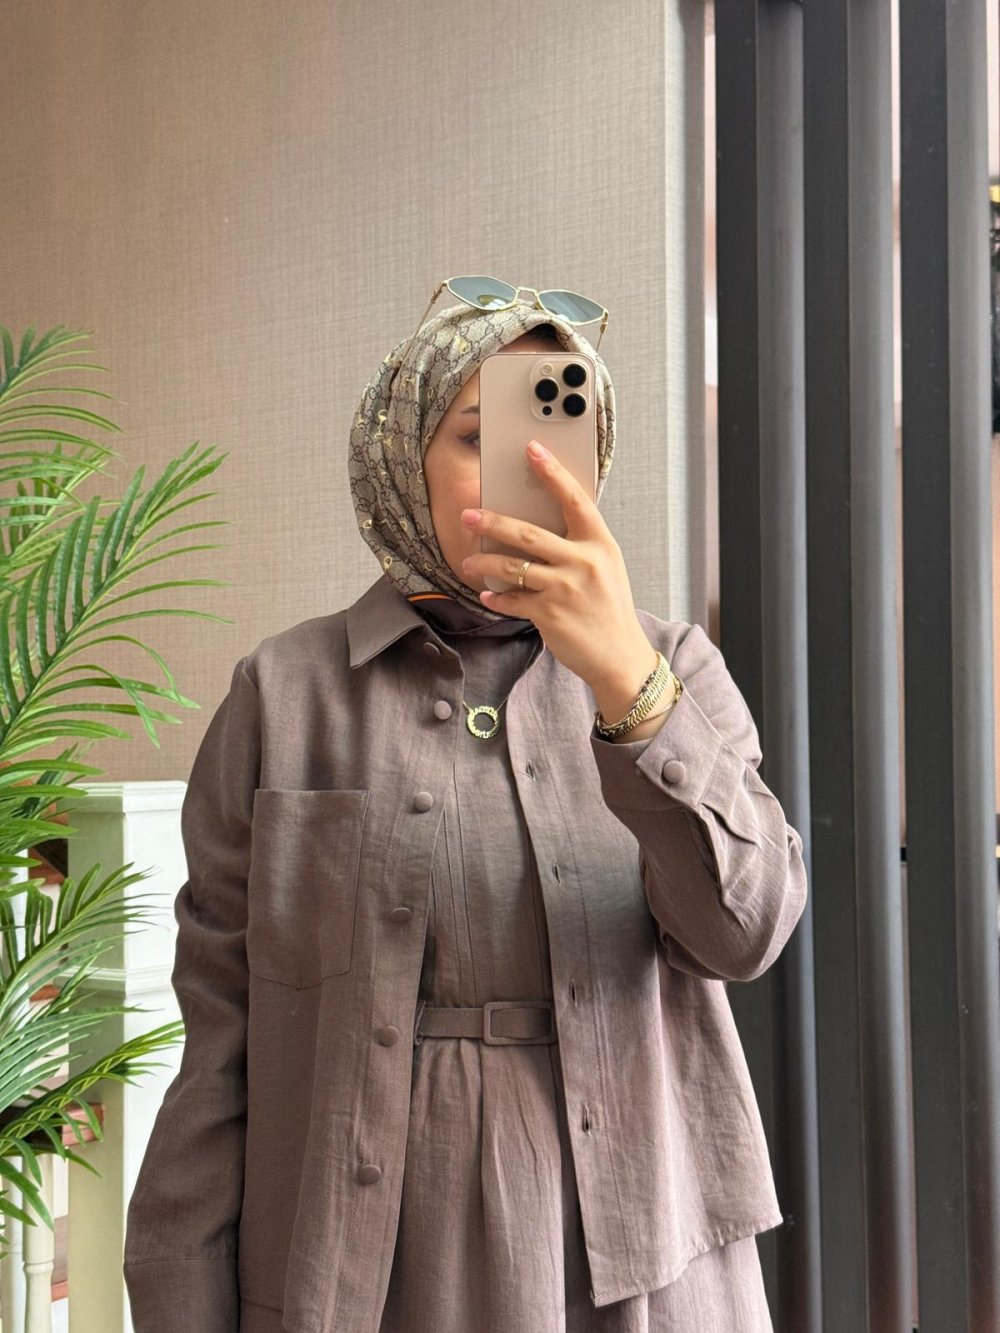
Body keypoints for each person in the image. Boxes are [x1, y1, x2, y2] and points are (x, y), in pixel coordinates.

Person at [123, 293, 808, 1333]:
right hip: (367, 1268)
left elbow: (745, 932)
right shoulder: (285, 693)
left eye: (558, 435)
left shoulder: (671, 667)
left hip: (643, 1264)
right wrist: (179, 1298)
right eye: (480, 437)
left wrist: (627, 687)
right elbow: (223, 1037)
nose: (529, 470)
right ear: (404, 457)